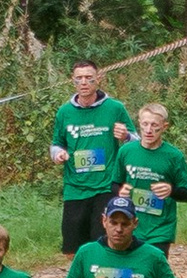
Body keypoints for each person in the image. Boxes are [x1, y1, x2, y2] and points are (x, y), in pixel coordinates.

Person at [47, 60, 137, 251]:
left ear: (99, 79)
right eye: (79, 78)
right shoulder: (64, 112)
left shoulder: (115, 108)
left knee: (103, 243)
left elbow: (137, 142)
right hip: (75, 187)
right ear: (73, 81)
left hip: (105, 186)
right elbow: (56, 144)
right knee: (72, 249)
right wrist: (58, 154)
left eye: (89, 78)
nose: (84, 82)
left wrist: (126, 136)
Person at [117, 102, 187, 252]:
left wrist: (171, 191)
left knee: (152, 271)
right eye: (145, 124)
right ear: (139, 123)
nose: (148, 130)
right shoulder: (126, 151)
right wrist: (120, 192)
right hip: (131, 225)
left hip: (160, 229)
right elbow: (114, 184)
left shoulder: (174, 156)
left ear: (164, 127)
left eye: (154, 125)